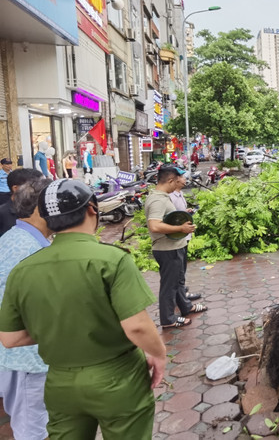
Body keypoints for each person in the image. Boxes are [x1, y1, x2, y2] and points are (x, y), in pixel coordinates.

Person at [0, 179, 166, 438]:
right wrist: (158, 354)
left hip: (59, 382)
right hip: (117, 376)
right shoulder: (112, 259)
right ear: (91, 209)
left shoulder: (22, 270)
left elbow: (10, 338)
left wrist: (60, 331)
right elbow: (136, 327)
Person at [0, 178, 51, 440]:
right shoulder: (26, 249)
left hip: (24, 356)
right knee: (32, 429)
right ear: (41, 209)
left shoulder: (21, 238)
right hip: (26, 359)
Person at [146, 165, 205, 328]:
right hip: (167, 249)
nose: (181, 182)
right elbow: (154, 225)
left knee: (178, 282)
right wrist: (181, 228)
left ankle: (186, 307)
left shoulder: (163, 197)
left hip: (174, 247)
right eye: (178, 179)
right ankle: (168, 319)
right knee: (169, 286)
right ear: (171, 180)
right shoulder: (157, 200)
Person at [169, 171, 202, 303]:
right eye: (182, 177)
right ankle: (181, 295)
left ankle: (181, 290)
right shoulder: (171, 197)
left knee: (182, 266)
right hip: (179, 236)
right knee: (179, 268)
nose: (185, 179)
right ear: (175, 180)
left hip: (184, 236)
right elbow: (171, 218)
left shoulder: (180, 194)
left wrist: (186, 212)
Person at [0, 169, 44, 237]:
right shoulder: (3, 214)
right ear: (15, 188)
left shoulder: (37, 210)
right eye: (32, 186)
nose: (37, 190)